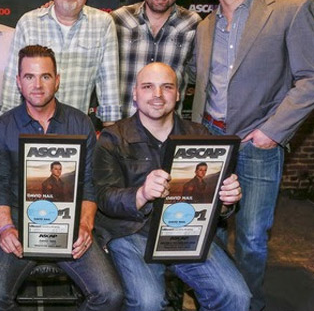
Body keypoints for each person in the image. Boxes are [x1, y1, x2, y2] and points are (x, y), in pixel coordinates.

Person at [190, 0, 314, 310]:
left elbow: (309, 79)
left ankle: (248, 304)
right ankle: (216, 296)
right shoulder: (205, 26)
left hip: (256, 143)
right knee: (207, 228)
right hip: (210, 138)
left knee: (252, 237)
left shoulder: (290, 11)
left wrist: (271, 132)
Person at [93, 62, 250, 311]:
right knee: (148, 301)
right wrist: (141, 194)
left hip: (187, 232)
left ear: (178, 94)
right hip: (131, 233)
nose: (157, 95)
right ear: (135, 94)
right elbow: (103, 198)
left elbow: (217, 206)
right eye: (148, 87)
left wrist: (226, 200)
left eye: (167, 87)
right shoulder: (113, 138)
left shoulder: (200, 136)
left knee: (235, 296)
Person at [0, 45, 123, 311]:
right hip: (19, 222)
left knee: (109, 295)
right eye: (29, 77)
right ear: (18, 82)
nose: (37, 85)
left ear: (57, 81)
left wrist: (85, 225)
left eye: (45, 76)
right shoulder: (4, 126)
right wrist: (5, 227)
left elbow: (89, 184)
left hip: (69, 223)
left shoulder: (80, 123)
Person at [0, 0, 121, 126]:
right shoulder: (29, 23)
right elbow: (13, 85)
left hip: (77, 130)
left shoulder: (103, 24)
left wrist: (111, 139)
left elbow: (109, 89)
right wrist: (7, 129)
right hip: (30, 128)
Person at [112, 0, 201, 118]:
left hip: (170, 131)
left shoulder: (193, 24)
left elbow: (200, 76)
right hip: (123, 129)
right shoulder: (118, 19)